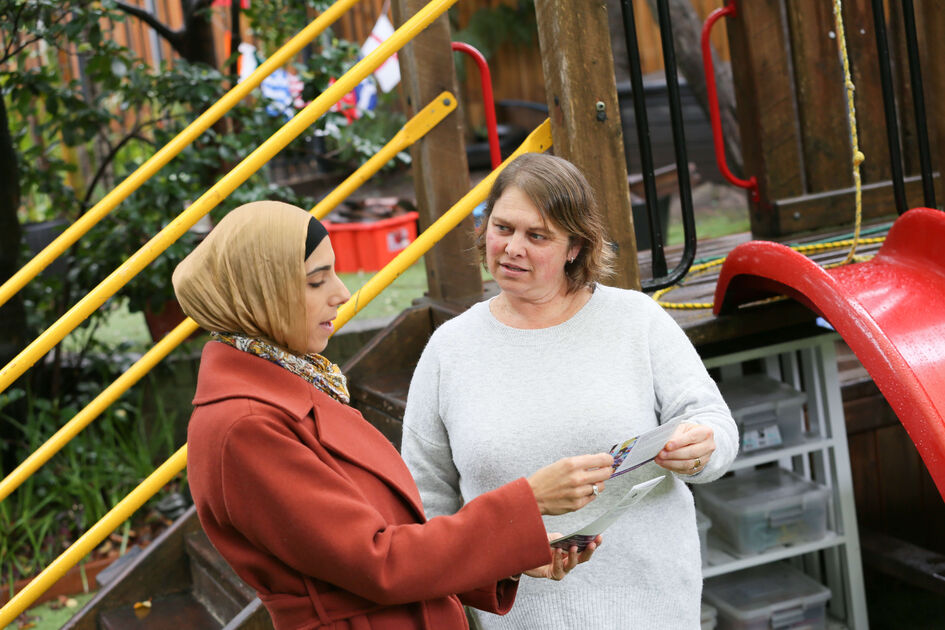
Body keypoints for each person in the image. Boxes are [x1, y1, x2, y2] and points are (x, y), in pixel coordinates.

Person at [172, 200, 617, 630]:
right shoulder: (247, 426)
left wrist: (508, 554)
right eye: (315, 280)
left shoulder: (293, 383)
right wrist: (528, 502)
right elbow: (378, 563)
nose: (341, 294)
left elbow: (384, 547)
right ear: (259, 294)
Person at [401, 154, 739, 629]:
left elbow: (715, 425)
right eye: (503, 227)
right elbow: (424, 499)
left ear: (576, 247)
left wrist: (702, 449)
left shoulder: (635, 319)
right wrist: (490, 564)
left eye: (537, 236)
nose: (512, 248)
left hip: (650, 608)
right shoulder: (449, 349)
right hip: (517, 617)